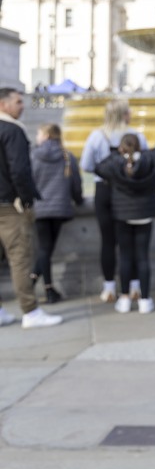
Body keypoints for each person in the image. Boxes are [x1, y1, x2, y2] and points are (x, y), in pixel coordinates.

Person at [0, 87, 62, 328]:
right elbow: (19, 170)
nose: (22, 106)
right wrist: (26, 200)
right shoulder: (13, 130)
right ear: (3, 105)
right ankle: (30, 311)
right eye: (18, 102)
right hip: (8, 206)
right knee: (20, 258)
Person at [80, 99, 148, 303]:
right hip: (129, 191)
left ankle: (109, 286)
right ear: (124, 114)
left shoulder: (97, 136)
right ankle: (135, 285)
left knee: (107, 240)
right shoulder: (136, 135)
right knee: (131, 241)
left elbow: (86, 165)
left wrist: (106, 171)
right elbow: (145, 162)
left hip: (104, 190)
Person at [95, 134, 155, 314]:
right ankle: (145, 300)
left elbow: (98, 168)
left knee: (125, 257)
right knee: (143, 257)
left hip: (123, 215)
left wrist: (116, 155)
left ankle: (124, 298)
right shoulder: (149, 162)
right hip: (145, 214)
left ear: (121, 148)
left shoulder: (115, 164)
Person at [30, 123, 84, 304]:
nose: (37, 137)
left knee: (45, 248)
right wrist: (79, 200)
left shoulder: (34, 156)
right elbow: (76, 183)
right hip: (60, 208)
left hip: (40, 209)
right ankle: (41, 285)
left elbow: (27, 180)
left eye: (39, 133)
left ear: (46, 136)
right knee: (47, 248)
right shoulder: (67, 157)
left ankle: (45, 288)